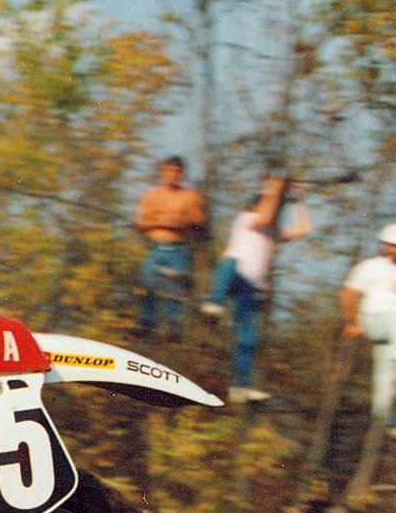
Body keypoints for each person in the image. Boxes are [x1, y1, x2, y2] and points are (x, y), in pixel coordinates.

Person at [201, 174, 311, 404]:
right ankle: (214, 301)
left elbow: (304, 228)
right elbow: (265, 215)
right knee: (230, 262)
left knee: (247, 339)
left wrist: (297, 200)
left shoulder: (272, 231)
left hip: (251, 287)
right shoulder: (247, 217)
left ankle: (240, 387)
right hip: (233, 275)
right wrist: (274, 190)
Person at [132, 155, 205, 339]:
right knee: (147, 283)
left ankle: (174, 330)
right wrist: (161, 220)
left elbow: (199, 221)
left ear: (182, 175)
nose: (172, 175)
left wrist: (182, 220)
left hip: (178, 248)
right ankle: (145, 325)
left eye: (176, 171)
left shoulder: (190, 196)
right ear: (161, 172)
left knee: (175, 291)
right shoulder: (151, 195)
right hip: (155, 247)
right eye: (168, 170)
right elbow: (140, 222)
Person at [340, 224, 396, 435]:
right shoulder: (370, 267)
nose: (393, 251)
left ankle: (384, 420)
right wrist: (352, 322)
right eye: (390, 246)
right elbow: (349, 293)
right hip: (373, 319)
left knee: (383, 368)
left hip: (392, 333)